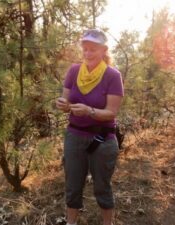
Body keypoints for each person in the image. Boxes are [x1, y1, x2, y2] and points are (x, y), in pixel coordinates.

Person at [55, 29, 124, 225]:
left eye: (92, 49)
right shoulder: (74, 71)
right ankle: (71, 222)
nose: (87, 53)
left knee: (102, 186)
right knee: (72, 185)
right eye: (84, 49)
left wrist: (89, 111)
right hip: (74, 136)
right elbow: (65, 100)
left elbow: (111, 112)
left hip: (102, 139)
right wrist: (61, 104)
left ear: (104, 50)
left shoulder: (112, 75)